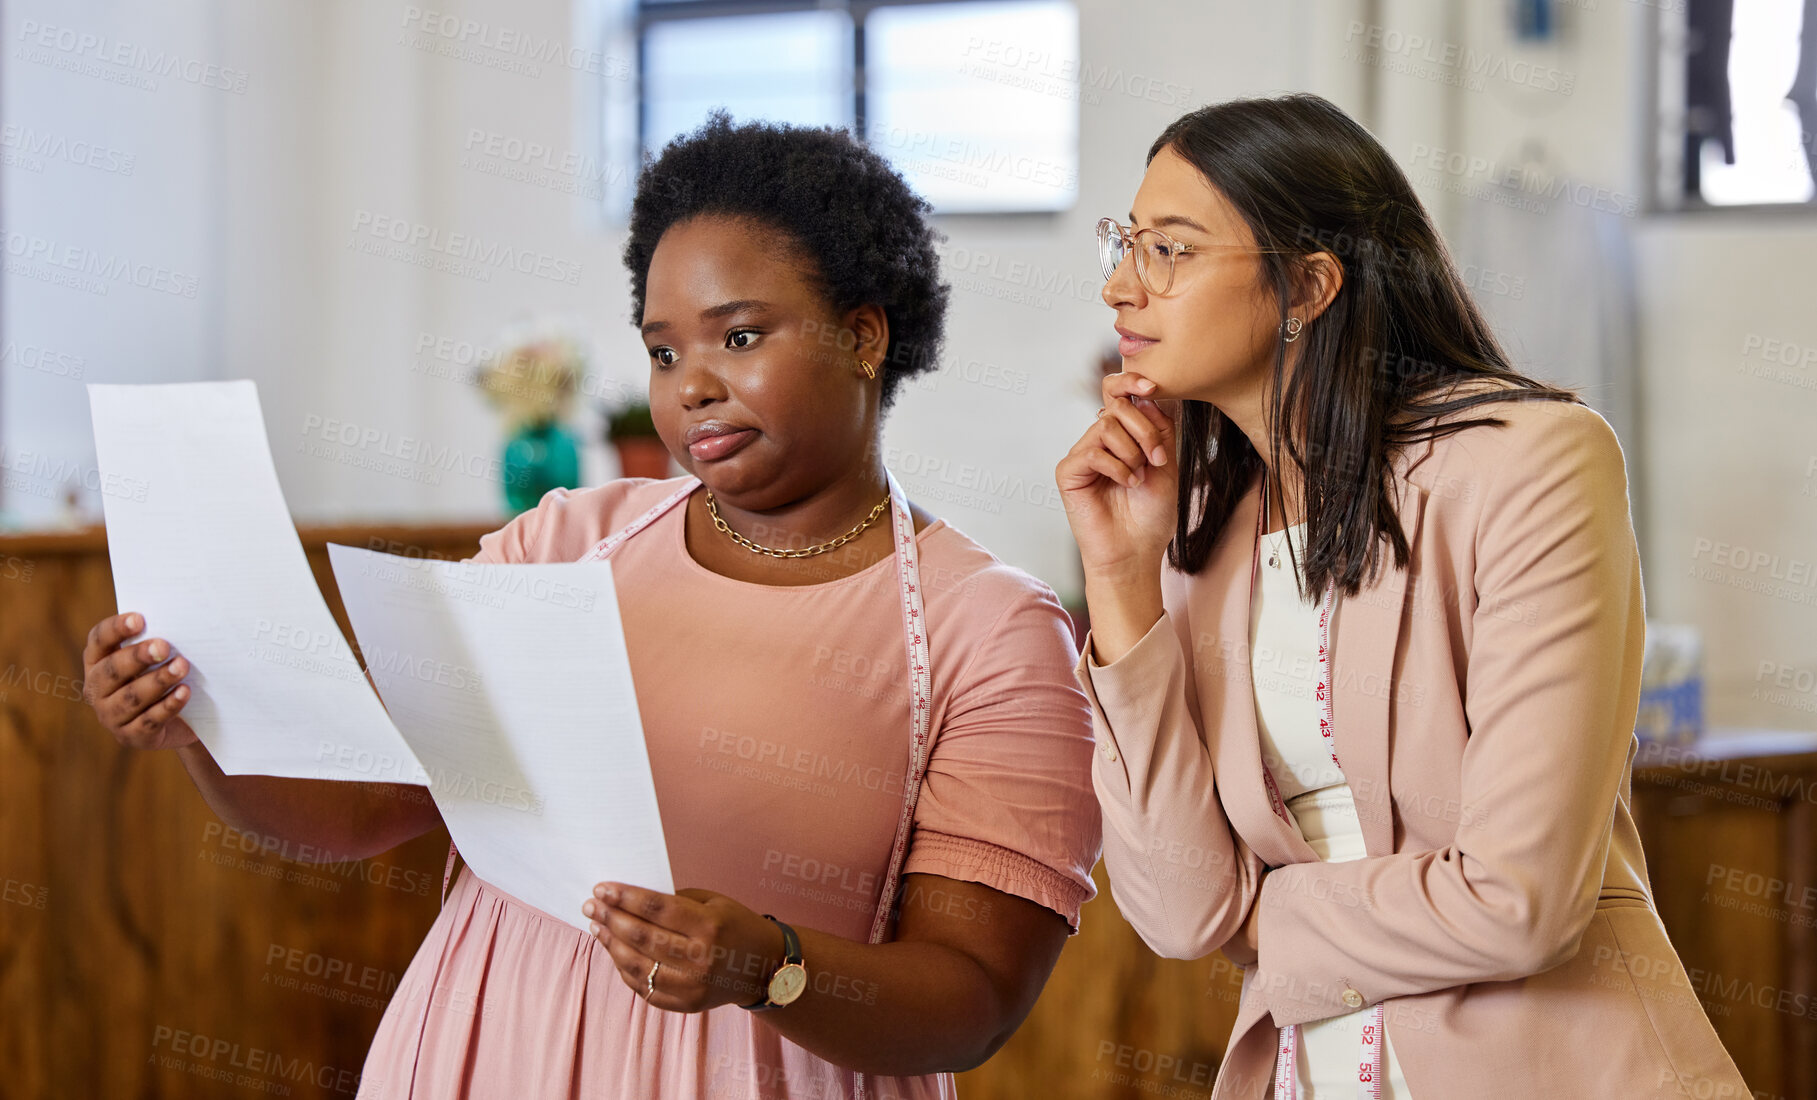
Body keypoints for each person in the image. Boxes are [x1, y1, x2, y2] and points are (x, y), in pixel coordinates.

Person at [82, 113, 1102, 1100]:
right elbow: (360, 806)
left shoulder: (990, 629)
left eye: (738, 336)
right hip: (478, 1047)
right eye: (663, 352)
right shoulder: (564, 543)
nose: (692, 386)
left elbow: (974, 997)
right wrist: (198, 717)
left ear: (863, 334)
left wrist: (770, 963)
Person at [1056, 93, 1749, 1099]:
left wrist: (1269, 916)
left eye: (1167, 248)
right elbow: (1177, 909)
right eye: (1125, 242)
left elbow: (1518, 899)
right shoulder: (1199, 527)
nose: (1120, 285)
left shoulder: (1531, 465)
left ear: (1305, 285)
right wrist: (1120, 580)